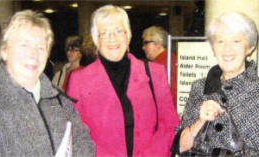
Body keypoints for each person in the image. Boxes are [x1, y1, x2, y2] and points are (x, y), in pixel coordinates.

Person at [0, 10, 95, 156]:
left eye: (41, 47)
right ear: (3, 51)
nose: (34, 54)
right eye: (24, 45)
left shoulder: (59, 100)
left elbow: (84, 144)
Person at [66, 5, 180, 157]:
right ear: (96, 39)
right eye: (104, 33)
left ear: (129, 35)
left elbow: (169, 125)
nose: (112, 38)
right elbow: (75, 134)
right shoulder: (79, 80)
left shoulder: (155, 73)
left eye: (119, 31)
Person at [172, 12, 259, 156]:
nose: (227, 49)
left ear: (249, 47)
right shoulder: (199, 88)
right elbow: (180, 147)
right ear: (213, 48)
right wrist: (200, 121)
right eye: (220, 41)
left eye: (236, 41)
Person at [142, 26, 177, 104]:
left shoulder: (157, 66)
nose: (143, 47)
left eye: (146, 43)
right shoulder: (173, 58)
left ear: (158, 44)